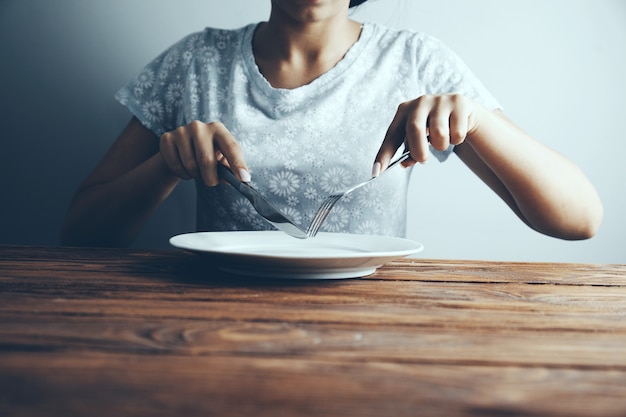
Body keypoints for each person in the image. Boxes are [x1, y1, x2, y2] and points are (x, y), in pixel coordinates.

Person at [61, 0, 603, 248]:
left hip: (374, 333)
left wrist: (478, 119)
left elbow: (579, 220)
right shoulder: (192, 63)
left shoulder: (417, 62)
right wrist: (165, 165)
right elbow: (79, 234)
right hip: (208, 325)